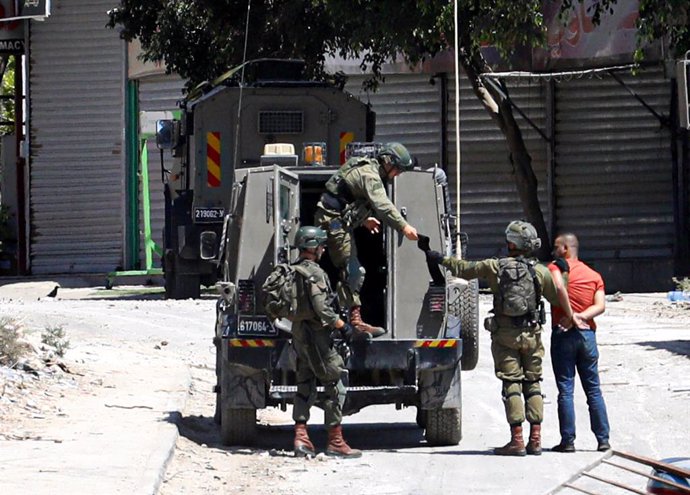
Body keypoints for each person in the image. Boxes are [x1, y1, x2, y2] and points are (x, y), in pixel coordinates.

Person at [426, 220, 573, 456]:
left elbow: (463, 268)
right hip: (532, 334)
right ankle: (535, 439)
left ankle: (517, 440)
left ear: (511, 244)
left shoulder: (494, 266)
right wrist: (564, 272)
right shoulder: (539, 271)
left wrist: (439, 258)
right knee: (533, 383)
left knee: (511, 382)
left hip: (505, 335)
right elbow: (558, 297)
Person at [314, 142, 419, 339]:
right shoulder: (370, 176)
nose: (397, 175)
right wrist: (404, 227)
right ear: (388, 162)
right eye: (397, 170)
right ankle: (353, 322)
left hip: (336, 219)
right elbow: (382, 205)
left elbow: (347, 200)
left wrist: (363, 219)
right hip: (333, 223)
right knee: (354, 272)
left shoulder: (366, 168)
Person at [289, 226, 361, 459]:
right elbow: (322, 308)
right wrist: (343, 326)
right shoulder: (315, 274)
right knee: (334, 384)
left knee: (304, 384)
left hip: (299, 335)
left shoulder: (292, 271)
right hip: (318, 337)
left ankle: (301, 438)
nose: (322, 249)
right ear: (312, 247)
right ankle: (335, 441)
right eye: (320, 245)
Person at [548, 233, 611, 453]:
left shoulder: (556, 269)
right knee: (593, 390)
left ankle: (568, 441)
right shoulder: (594, 275)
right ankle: (603, 440)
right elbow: (600, 306)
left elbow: (558, 288)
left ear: (565, 248)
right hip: (588, 336)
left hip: (563, 333)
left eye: (556, 247)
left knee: (566, 390)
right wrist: (583, 317)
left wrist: (571, 316)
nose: (554, 250)